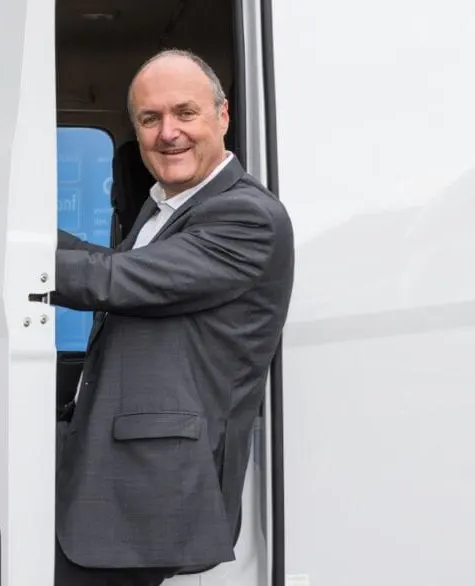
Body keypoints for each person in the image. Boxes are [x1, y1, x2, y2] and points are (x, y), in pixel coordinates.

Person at [52, 49, 295, 585]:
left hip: (150, 488)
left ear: (222, 116)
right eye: (150, 118)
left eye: (185, 113)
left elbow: (114, 280)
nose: (168, 133)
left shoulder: (246, 216)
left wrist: (7, 254)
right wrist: (24, 235)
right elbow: (118, 267)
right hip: (115, 472)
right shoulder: (168, 203)